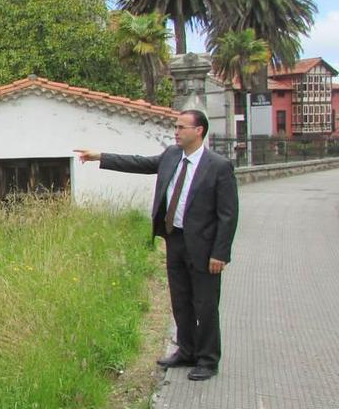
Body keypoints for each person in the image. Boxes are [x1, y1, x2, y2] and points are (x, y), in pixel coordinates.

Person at [74, 109, 238, 381]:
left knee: (205, 304)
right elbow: (140, 163)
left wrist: (220, 253)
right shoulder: (171, 156)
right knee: (181, 300)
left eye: (182, 127)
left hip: (205, 248)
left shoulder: (218, 166)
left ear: (199, 131)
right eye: (176, 126)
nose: (176, 131)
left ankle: (208, 360)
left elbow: (228, 215)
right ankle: (186, 350)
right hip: (175, 240)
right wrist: (100, 157)